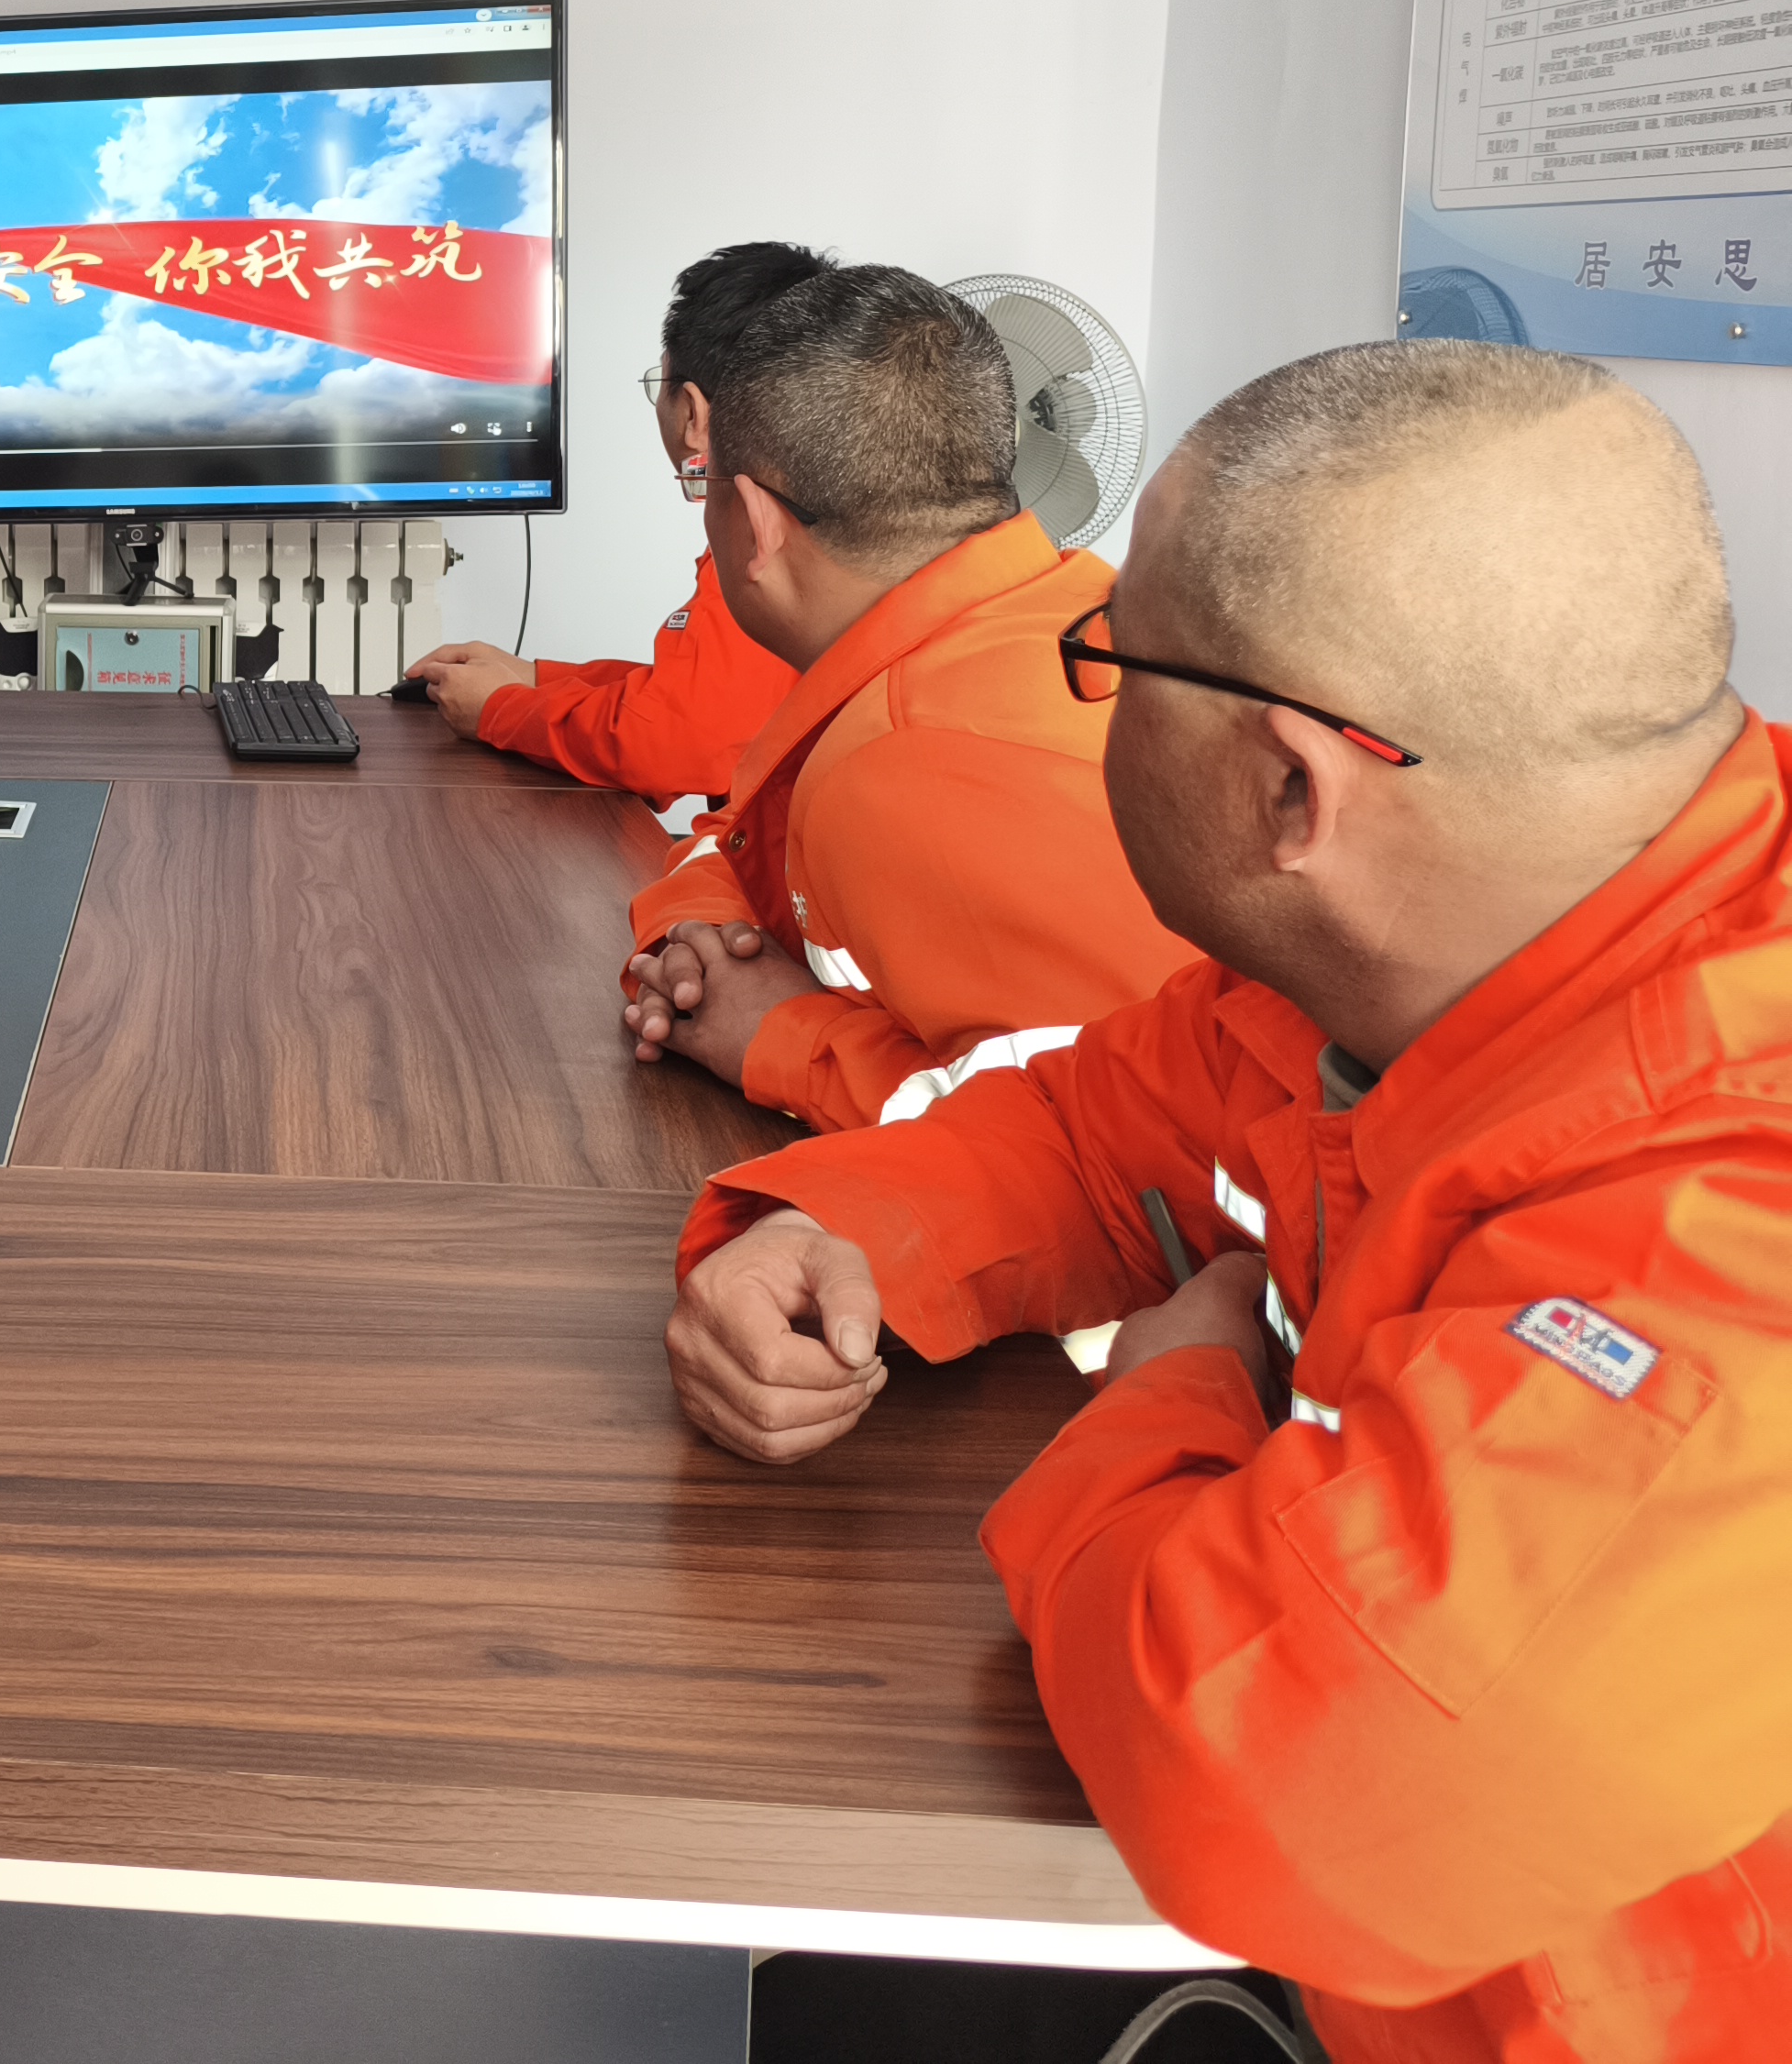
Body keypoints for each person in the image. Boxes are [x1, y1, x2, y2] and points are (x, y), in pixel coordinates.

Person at [665, 341, 1792, 2059]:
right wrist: (829, 1238)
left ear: (1288, 789)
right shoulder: (1461, 938)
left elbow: (1280, 1783)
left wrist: (1169, 1394)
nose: (1085, 697)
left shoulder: (1722, 1243)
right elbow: (1092, 1126)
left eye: (1111, 660)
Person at [618, 264, 1192, 1134]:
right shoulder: (1068, 606)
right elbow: (740, 835)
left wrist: (780, 1036)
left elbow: (1108, 1143)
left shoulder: (902, 759)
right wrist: (694, 932)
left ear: (757, 524)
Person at [405, 239, 823, 799]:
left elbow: (676, 739)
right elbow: (698, 696)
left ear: (693, 413)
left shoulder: (760, 542)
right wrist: (536, 679)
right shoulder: (829, 515)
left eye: (660, 385)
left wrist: (499, 710)